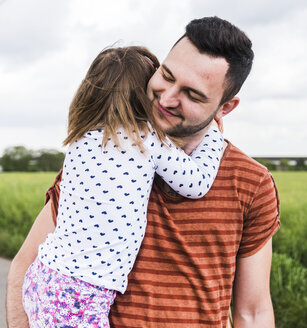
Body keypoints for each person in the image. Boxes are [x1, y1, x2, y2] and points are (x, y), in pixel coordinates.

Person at [7, 16, 280, 328]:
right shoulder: (104, 157)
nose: (166, 99)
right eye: (166, 75)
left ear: (225, 107)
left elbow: (254, 311)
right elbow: (24, 266)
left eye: (192, 94)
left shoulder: (250, 183)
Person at [20, 46, 224, 327]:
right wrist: (213, 131)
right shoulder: (146, 139)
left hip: (44, 274)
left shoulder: (81, 139)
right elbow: (196, 183)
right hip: (81, 294)